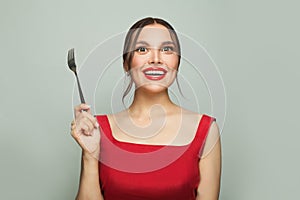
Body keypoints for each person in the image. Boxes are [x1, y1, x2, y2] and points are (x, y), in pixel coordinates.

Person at [70, 17, 221, 200]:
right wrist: (90, 156)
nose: (156, 59)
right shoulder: (96, 130)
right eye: (142, 49)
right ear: (126, 63)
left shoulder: (205, 130)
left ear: (177, 63)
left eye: (167, 49)